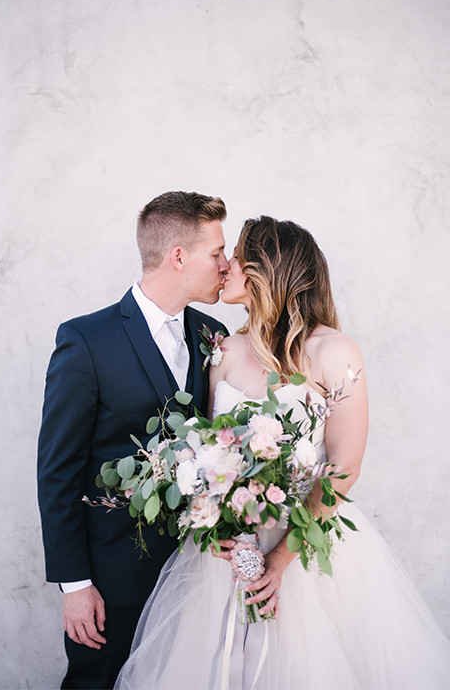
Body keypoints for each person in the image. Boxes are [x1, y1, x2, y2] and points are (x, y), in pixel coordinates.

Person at [115, 216, 450, 689]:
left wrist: (280, 562)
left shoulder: (335, 351)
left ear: (266, 268)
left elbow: (344, 467)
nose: (225, 265)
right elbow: (211, 449)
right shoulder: (224, 349)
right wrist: (218, 532)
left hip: (303, 547)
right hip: (228, 557)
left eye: (236, 256)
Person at [37, 191, 230, 690]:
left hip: (194, 572)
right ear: (179, 256)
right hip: (112, 577)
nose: (227, 265)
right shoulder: (86, 340)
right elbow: (57, 471)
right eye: (217, 253)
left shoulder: (213, 333)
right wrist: (74, 584)